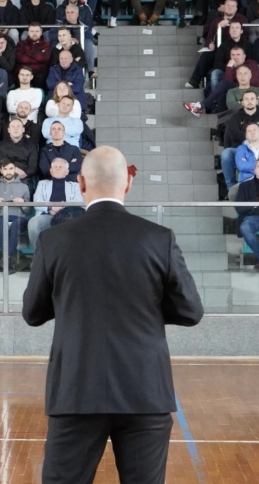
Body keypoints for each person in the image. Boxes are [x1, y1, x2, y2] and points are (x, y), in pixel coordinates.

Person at [22, 145, 202, 483]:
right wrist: (146, 308)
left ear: (80, 183)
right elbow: (191, 311)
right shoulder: (158, 238)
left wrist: (70, 303)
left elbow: (32, 312)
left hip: (75, 390)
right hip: (144, 390)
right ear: (128, 184)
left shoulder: (53, 240)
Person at [0, 158, 30, 271]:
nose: (8, 171)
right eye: (5, 169)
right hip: (0, 216)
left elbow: (27, 211)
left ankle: (5, 258)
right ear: (1, 170)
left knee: (16, 224)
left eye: (11, 168)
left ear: (15, 170)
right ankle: (10, 258)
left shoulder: (24, 187)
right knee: (0, 222)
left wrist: (23, 203)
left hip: (18, 217)